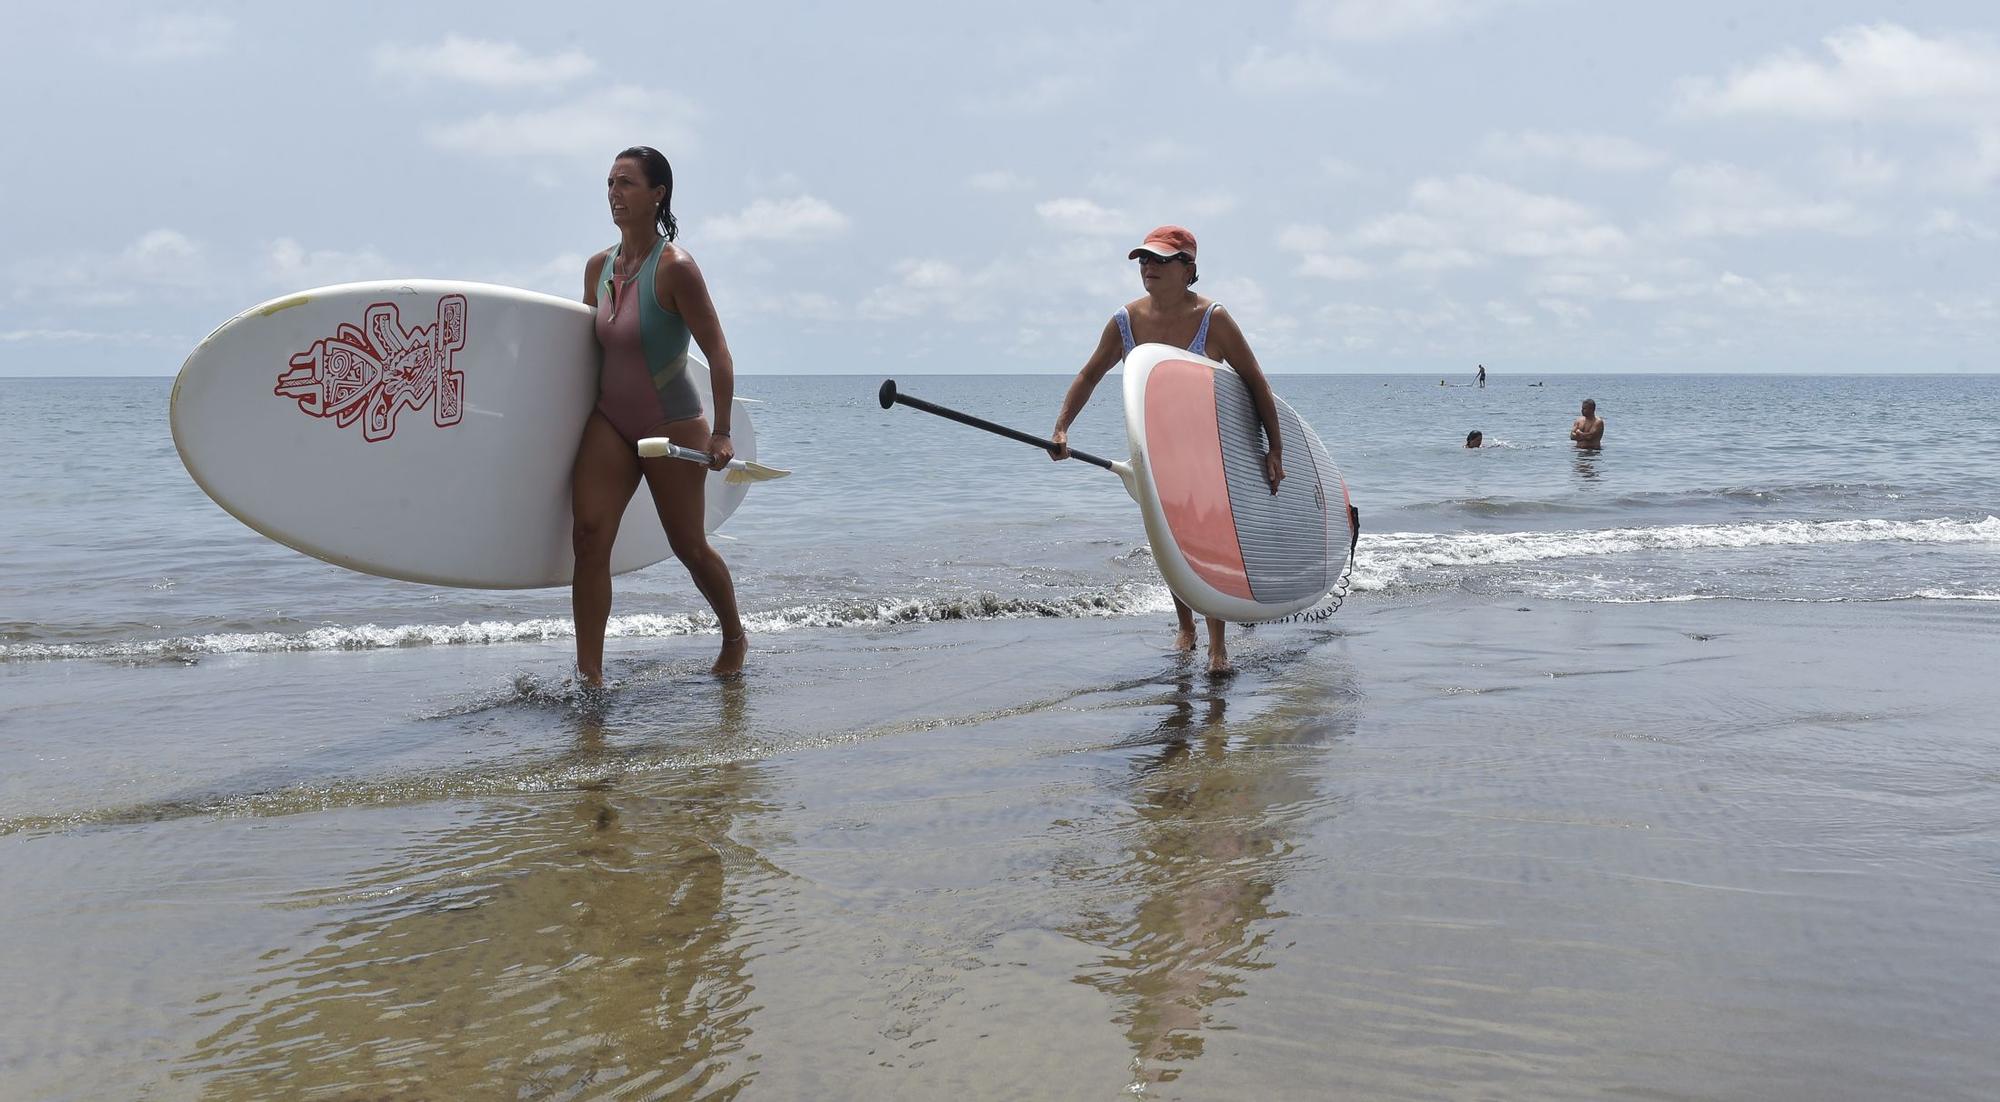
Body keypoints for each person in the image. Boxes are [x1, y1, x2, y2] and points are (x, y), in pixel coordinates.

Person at [1048, 225, 1286, 676]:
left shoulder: (1213, 319)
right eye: (1144, 260)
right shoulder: (1126, 321)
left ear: (1188, 269)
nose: (1148, 267)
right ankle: (1186, 627)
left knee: (1207, 543)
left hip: (1209, 451)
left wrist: (1273, 449)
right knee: (1169, 541)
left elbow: (1256, 381)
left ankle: (1217, 646)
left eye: (1160, 260)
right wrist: (1061, 428)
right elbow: (1089, 375)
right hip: (1154, 451)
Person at [570, 146, 746, 683]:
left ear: (657, 194)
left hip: (670, 423)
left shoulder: (676, 269)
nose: (614, 193)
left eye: (626, 183)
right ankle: (590, 677)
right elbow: (582, 350)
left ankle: (734, 636)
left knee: (688, 546)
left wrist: (720, 433)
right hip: (611, 422)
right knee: (589, 534)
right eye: (609, 183)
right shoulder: (598, 268)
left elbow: (717, 352)